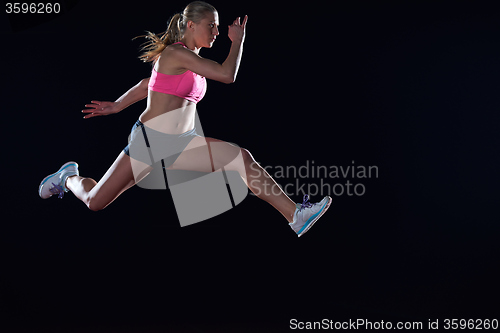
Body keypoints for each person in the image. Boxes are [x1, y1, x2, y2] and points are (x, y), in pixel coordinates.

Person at [38, 1, 331, 237]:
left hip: (181, 144)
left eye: (218, 26)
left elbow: (146, 84)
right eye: (211, 25)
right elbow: (228, 75)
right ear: (191, 25)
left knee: (241, 158)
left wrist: (116, 105)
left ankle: (295, 215)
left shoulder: (191, 59)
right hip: (150, 144)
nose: (217, 31)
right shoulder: (176, 55)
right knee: (95, 202)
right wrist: (237, 41)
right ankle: (68, 178)